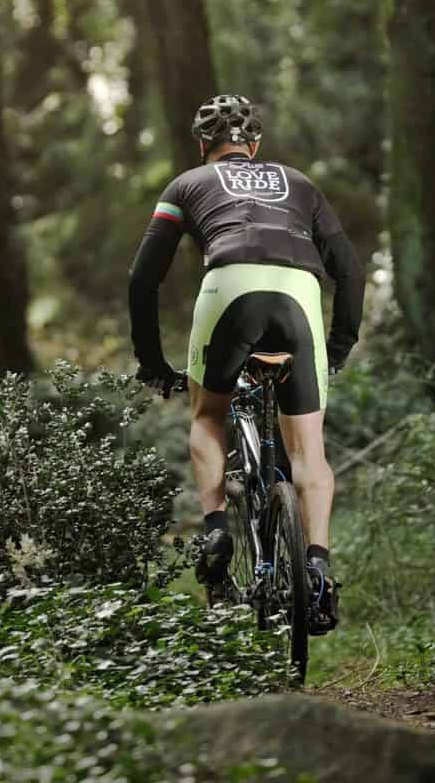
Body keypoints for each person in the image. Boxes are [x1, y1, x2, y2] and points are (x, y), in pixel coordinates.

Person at [126, 93, 365, 633]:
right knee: (309, 451)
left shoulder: (185, 185)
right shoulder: (299, 183)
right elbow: (349, 271)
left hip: (228, 284)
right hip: (299, 292)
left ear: (202, 145)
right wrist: (339, 346)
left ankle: (215, 530)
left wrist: (152, 362)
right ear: (254, 145)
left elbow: (143, 278)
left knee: (209, 414)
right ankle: (318, 566)